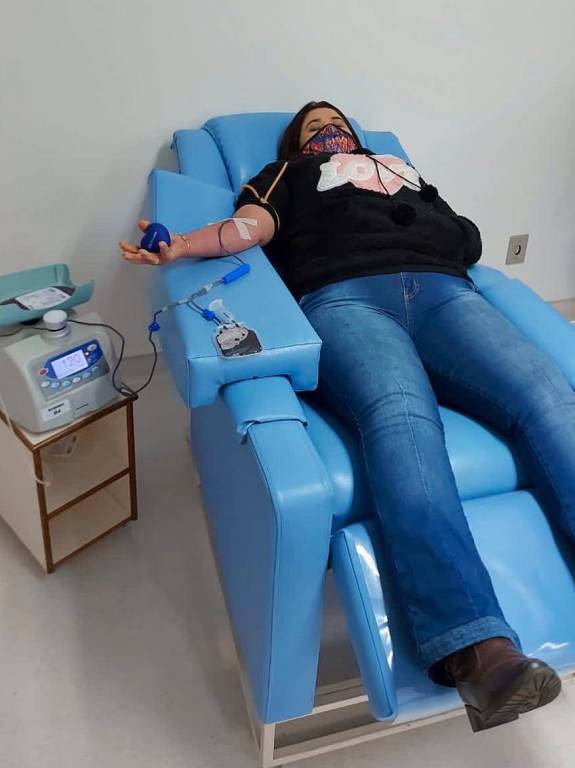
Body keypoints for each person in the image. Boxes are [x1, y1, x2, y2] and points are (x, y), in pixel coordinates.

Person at [119, 101, 570, 731]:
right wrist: (181, 246)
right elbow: (248, 227)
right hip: (344, 297)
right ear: (296, 145)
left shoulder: (397, 169)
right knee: (403, 420)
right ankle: (476, 650)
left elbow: (465, 239)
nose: (329, 129)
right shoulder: (289, 174)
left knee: (549, 394)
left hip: (446, 293)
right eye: (313, 127)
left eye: (337, 122)